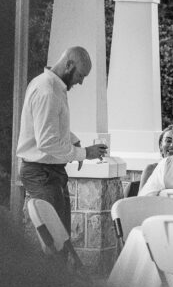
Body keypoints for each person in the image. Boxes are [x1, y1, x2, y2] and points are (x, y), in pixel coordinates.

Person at [17, 46, 107, 230]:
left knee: (62, 236)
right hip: (41, 172)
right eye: (80, 75)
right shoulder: (47, 91)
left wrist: (72, 139)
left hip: (50, 171)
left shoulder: (51, 87)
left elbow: (49, 126)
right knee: (57, 239)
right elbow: (46, 141)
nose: (81, 82)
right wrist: (84, 153)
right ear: (69, 65)